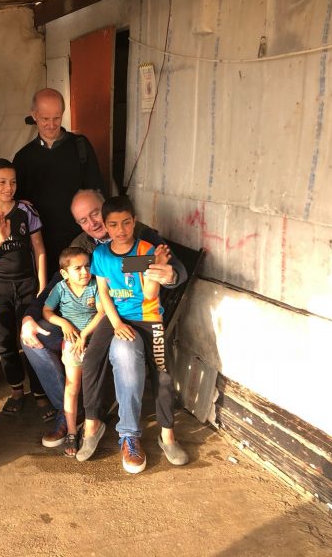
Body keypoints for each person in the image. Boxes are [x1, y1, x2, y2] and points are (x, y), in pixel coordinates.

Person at [20, 190, 187, 463]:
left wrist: (167, 273)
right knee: (38, 341)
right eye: (83, 220)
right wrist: (29, 316)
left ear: (108, 208)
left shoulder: (142, 238)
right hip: (94, 319)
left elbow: (168, 271)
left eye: (95, 214)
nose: (93, 223)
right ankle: (74, 414)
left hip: (130, 316)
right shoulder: (89, 247)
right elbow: (59, 283)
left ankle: (143, 434)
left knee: (144, 362)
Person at [76, 195, 189, 473]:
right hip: (117, 317)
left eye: (126, 223)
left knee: (162, 372)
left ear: (134, 221)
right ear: (106, 226)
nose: (121, 230)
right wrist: (116, 323)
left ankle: (167, 435)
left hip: (147, 316)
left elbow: (149, 294)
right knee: (90, 362)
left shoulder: (145, 249)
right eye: (114, 224)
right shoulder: (101, 255)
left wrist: (156, 267)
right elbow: (104, 292)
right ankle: (92, 424)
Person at [0, 158, 51, 418]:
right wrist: (0, 239)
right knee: (4, 341)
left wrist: (42, 286)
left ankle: (40, 392)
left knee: (33, 337)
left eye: (13, 182)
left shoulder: (27, 211)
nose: (8, 187)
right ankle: (16, 391)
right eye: (2, 182)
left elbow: (39, 248)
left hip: (27, 284)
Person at [13, 88, 106, 276]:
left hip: (81, 239)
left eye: (56, 118)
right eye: (45, 118)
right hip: (42, 243)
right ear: (34, 115)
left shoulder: (80, 146)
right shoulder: (23, 158)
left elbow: (97, 191)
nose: (51, 124)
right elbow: (15, 203)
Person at [42, 247, 103, 457]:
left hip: (93, 340)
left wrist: (84, 335)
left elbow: (102, 312)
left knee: (93, 386)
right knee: (72, 387)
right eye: (77, 268)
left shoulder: (95, 285)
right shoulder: (60, 288)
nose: (85, 272)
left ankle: (92, 426)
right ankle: (71, 431)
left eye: (87, 266)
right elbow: (47, 311)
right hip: (72, 344)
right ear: (64, 273)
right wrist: (64, 324)